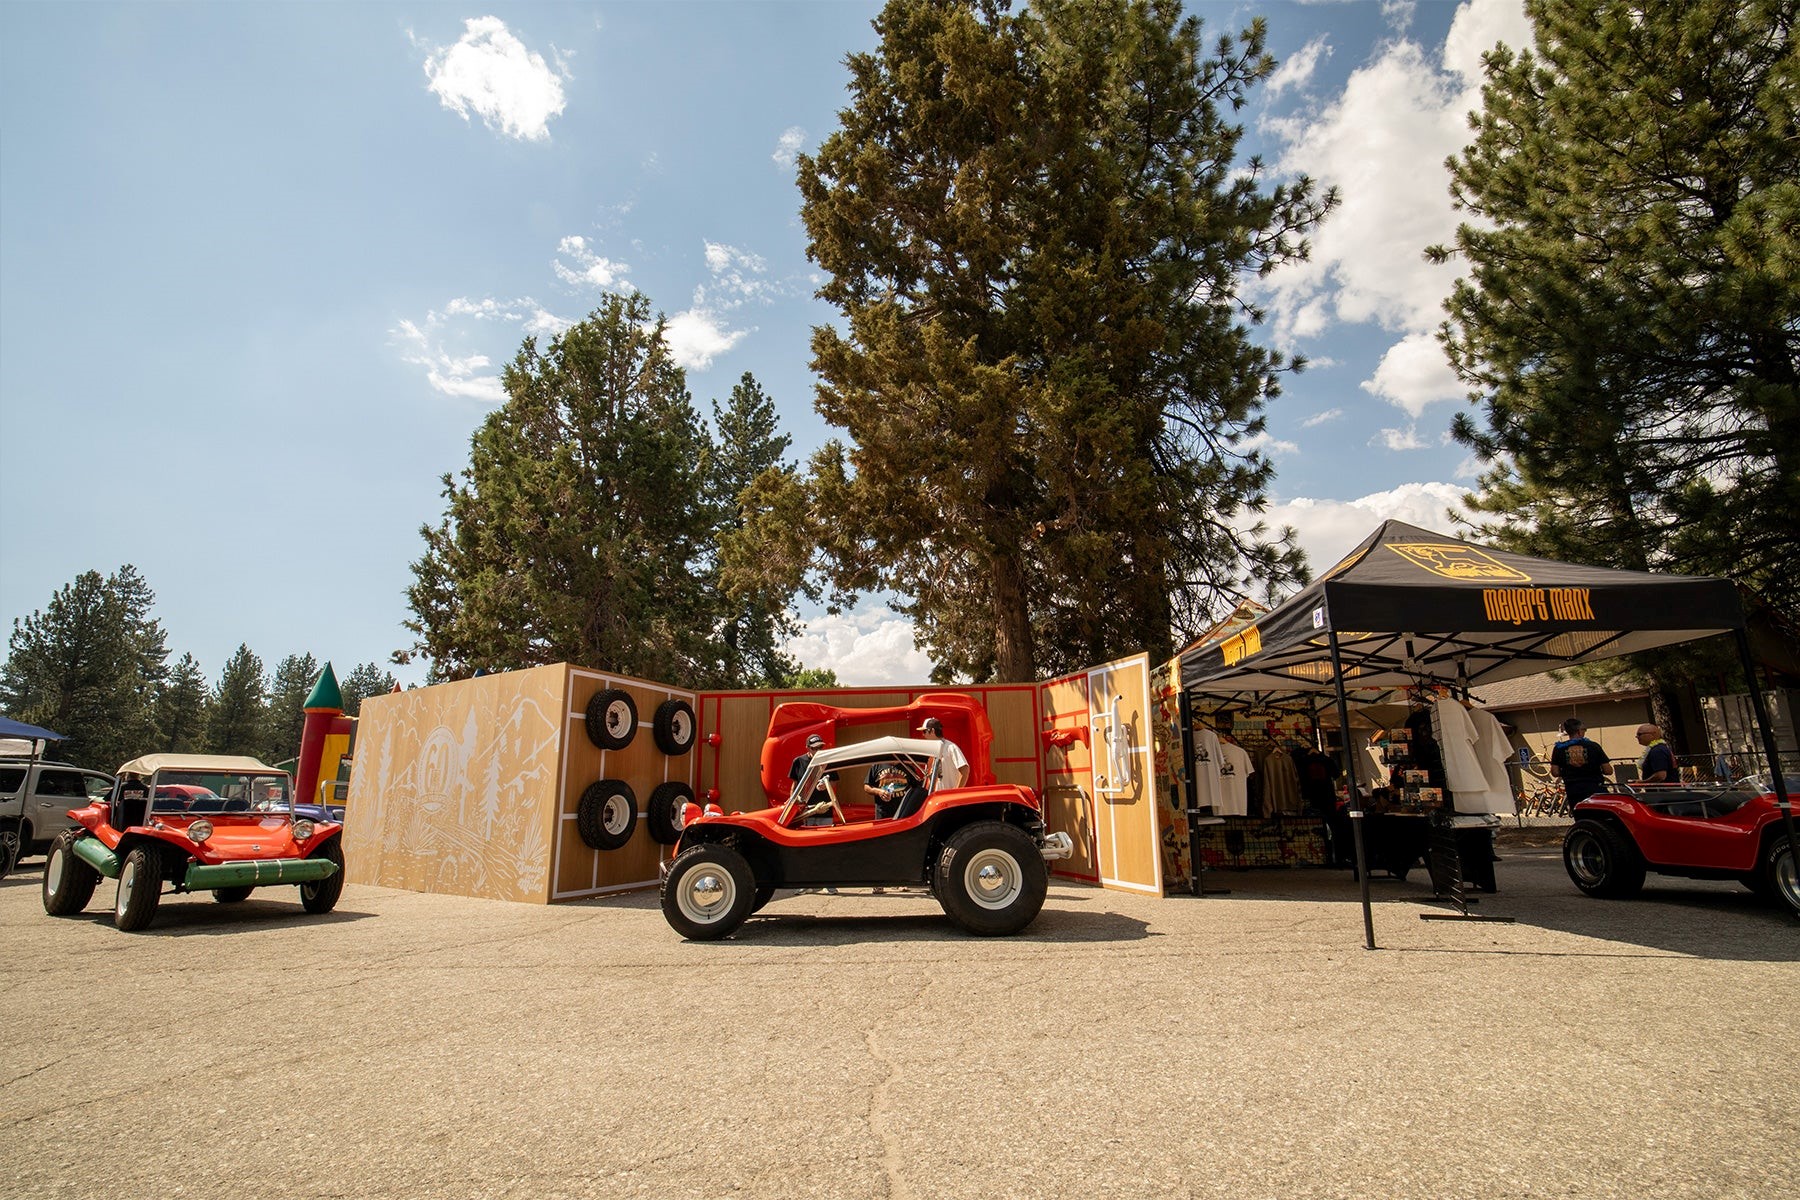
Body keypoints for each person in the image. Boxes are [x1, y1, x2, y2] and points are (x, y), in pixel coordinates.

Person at [1549, 717, 1613, 813]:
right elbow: (1608, 770)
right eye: (1584, 730)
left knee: (1581, 817)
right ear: (1579, 731)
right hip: (1595, 788)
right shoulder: (1593, 746)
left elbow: (1555, 772)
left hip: (1573, 790)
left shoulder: (1559, 749)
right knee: (1600, 816)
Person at [918, 718, 969, 789]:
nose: (923, 735)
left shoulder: (951, 747)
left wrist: (957, 792)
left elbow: (965, 769)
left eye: (924, 731)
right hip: (934, 797)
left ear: (932, 731)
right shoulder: (930, 750)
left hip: (947, 797)